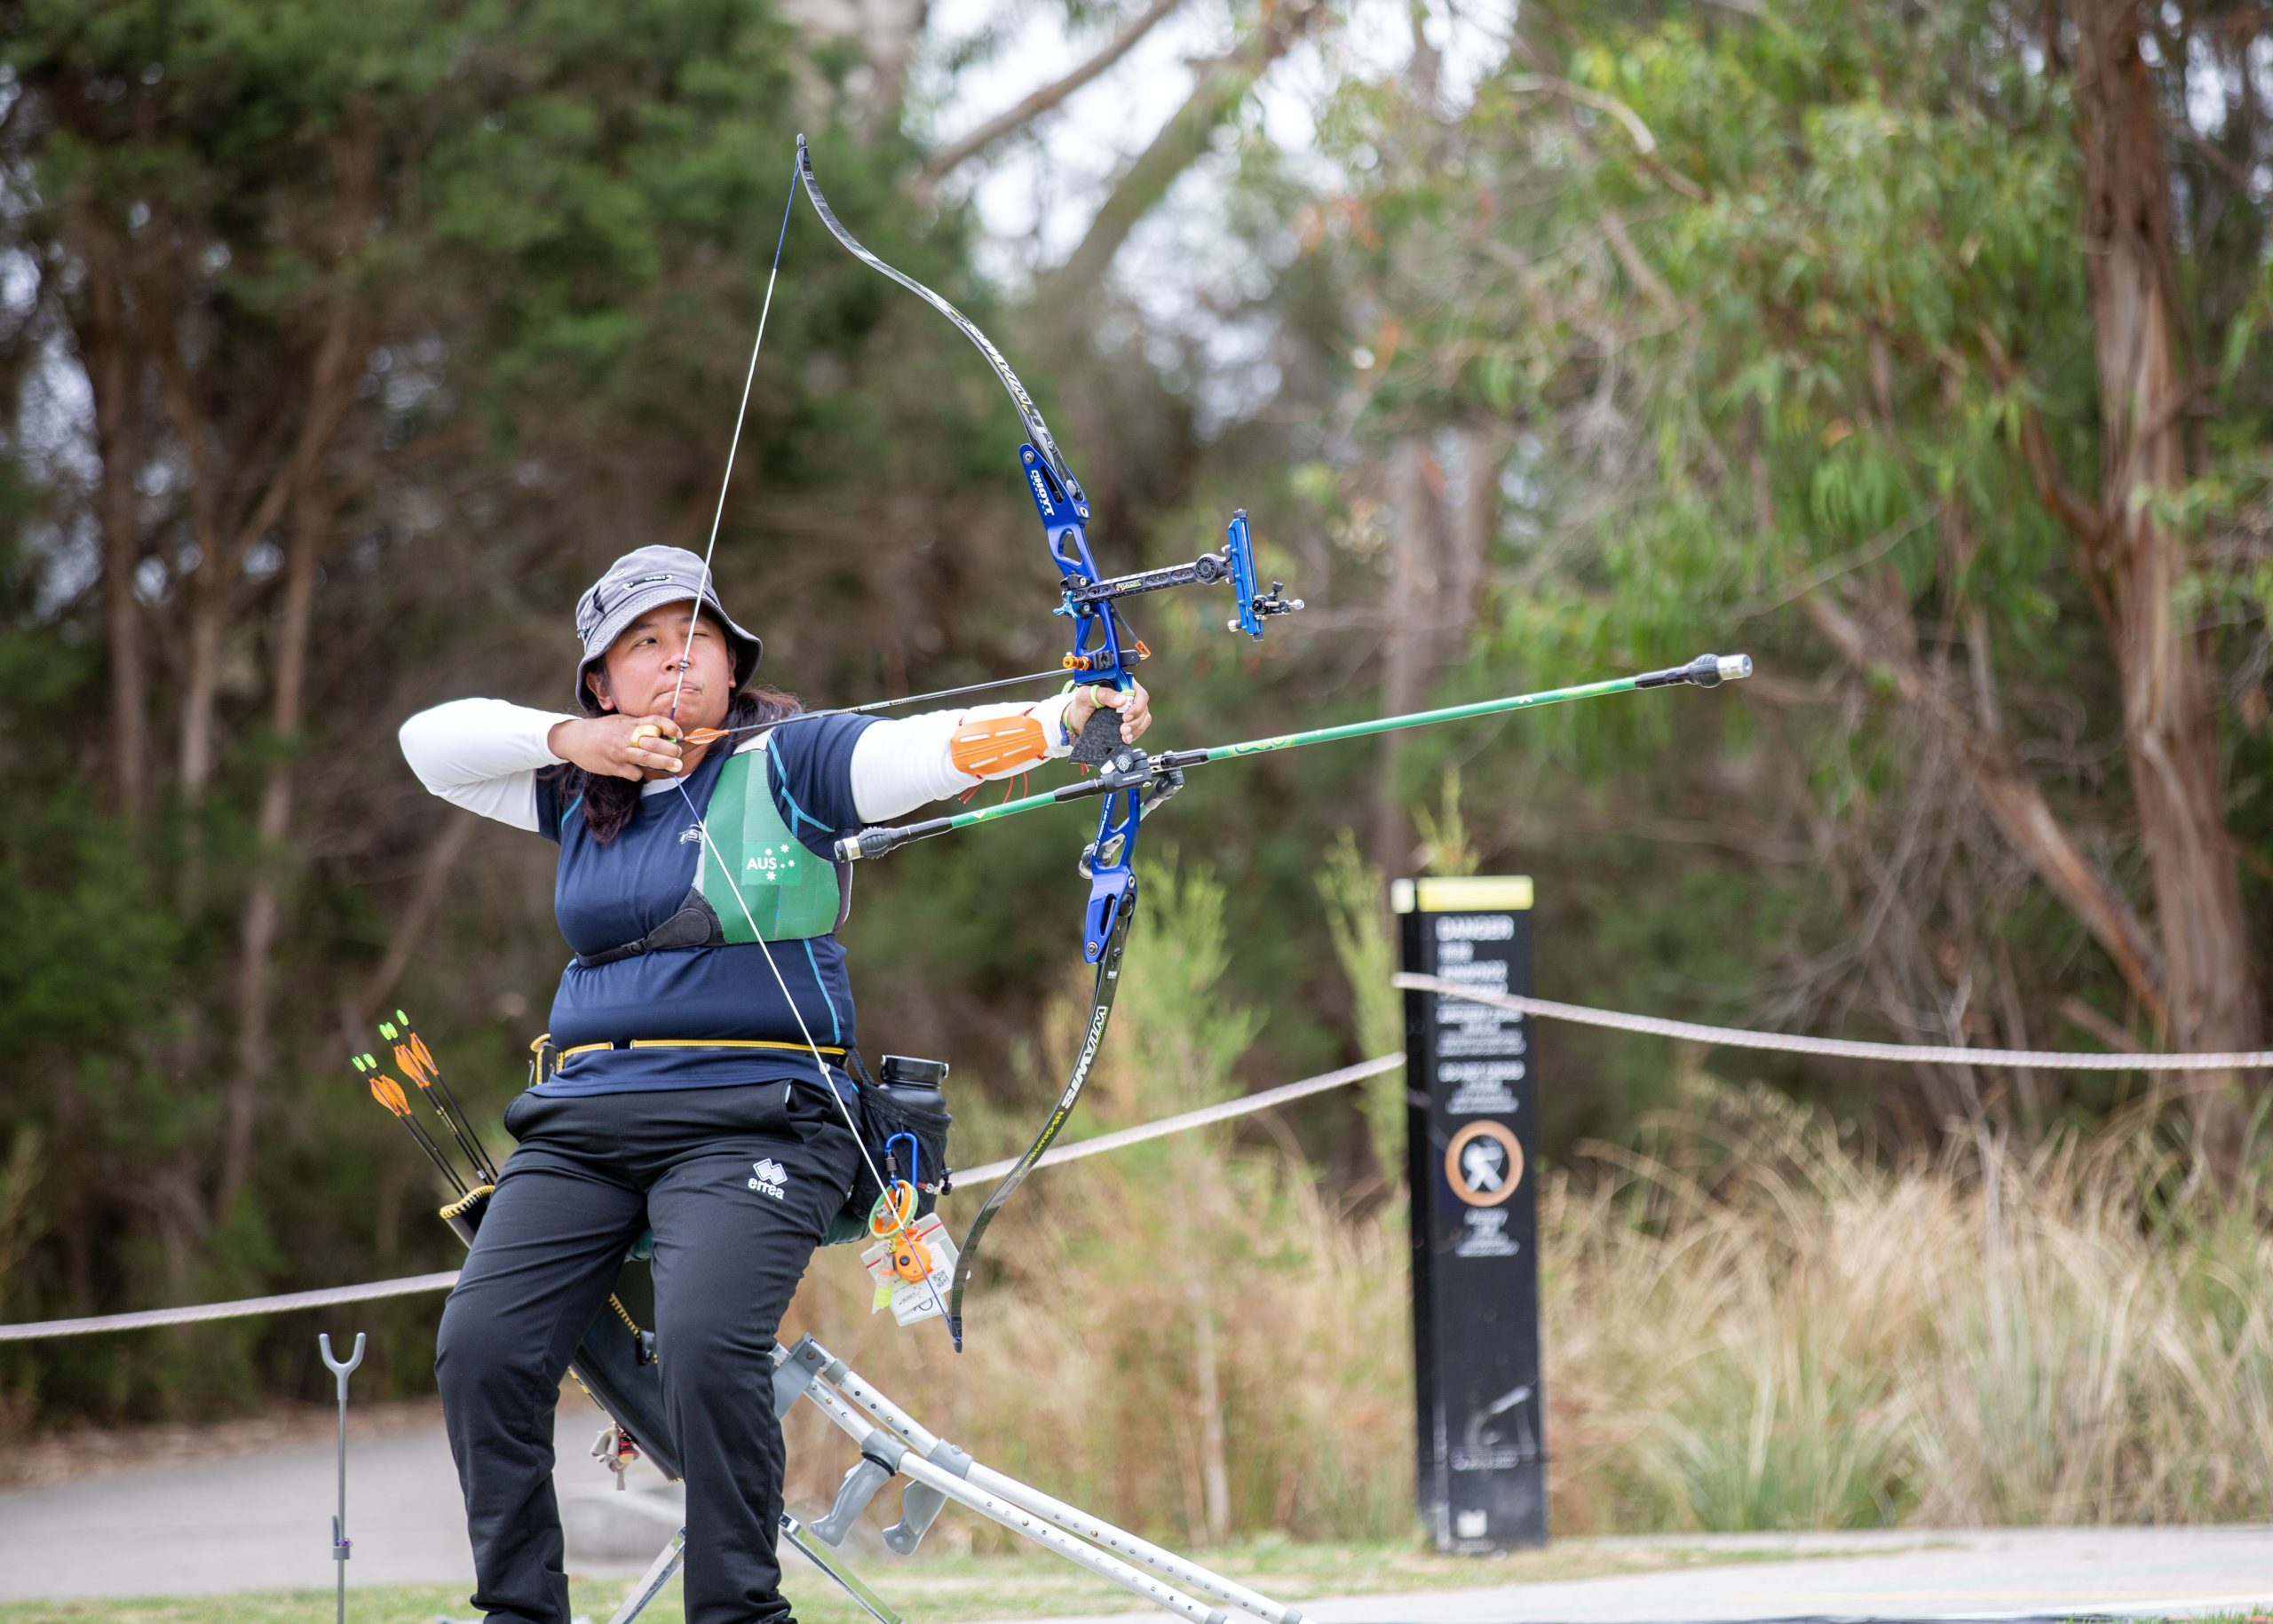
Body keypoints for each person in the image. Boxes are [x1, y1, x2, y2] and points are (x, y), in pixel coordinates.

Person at [397, 544, 1149, 1624]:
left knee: (706, 1346)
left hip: (757, 1116)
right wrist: (581, 744)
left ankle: (740, 1612)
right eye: (641, 645)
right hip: (580, 1128)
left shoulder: (790, 758)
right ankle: (520, 1612)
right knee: (482, 1348)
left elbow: (920, 751)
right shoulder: (573, 790)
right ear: (602, 683)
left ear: (733, 659)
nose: (673, 660)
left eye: (693, 635)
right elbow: (428, 744)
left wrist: (1061, 717)